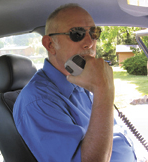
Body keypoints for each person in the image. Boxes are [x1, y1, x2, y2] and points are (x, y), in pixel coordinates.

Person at [13, 3, 136, 162]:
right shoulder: (37, 101)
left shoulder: (82, 81)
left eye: (94, 33)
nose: (90, 43)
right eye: (77, 34)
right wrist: (105, 91)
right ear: (50, 45)